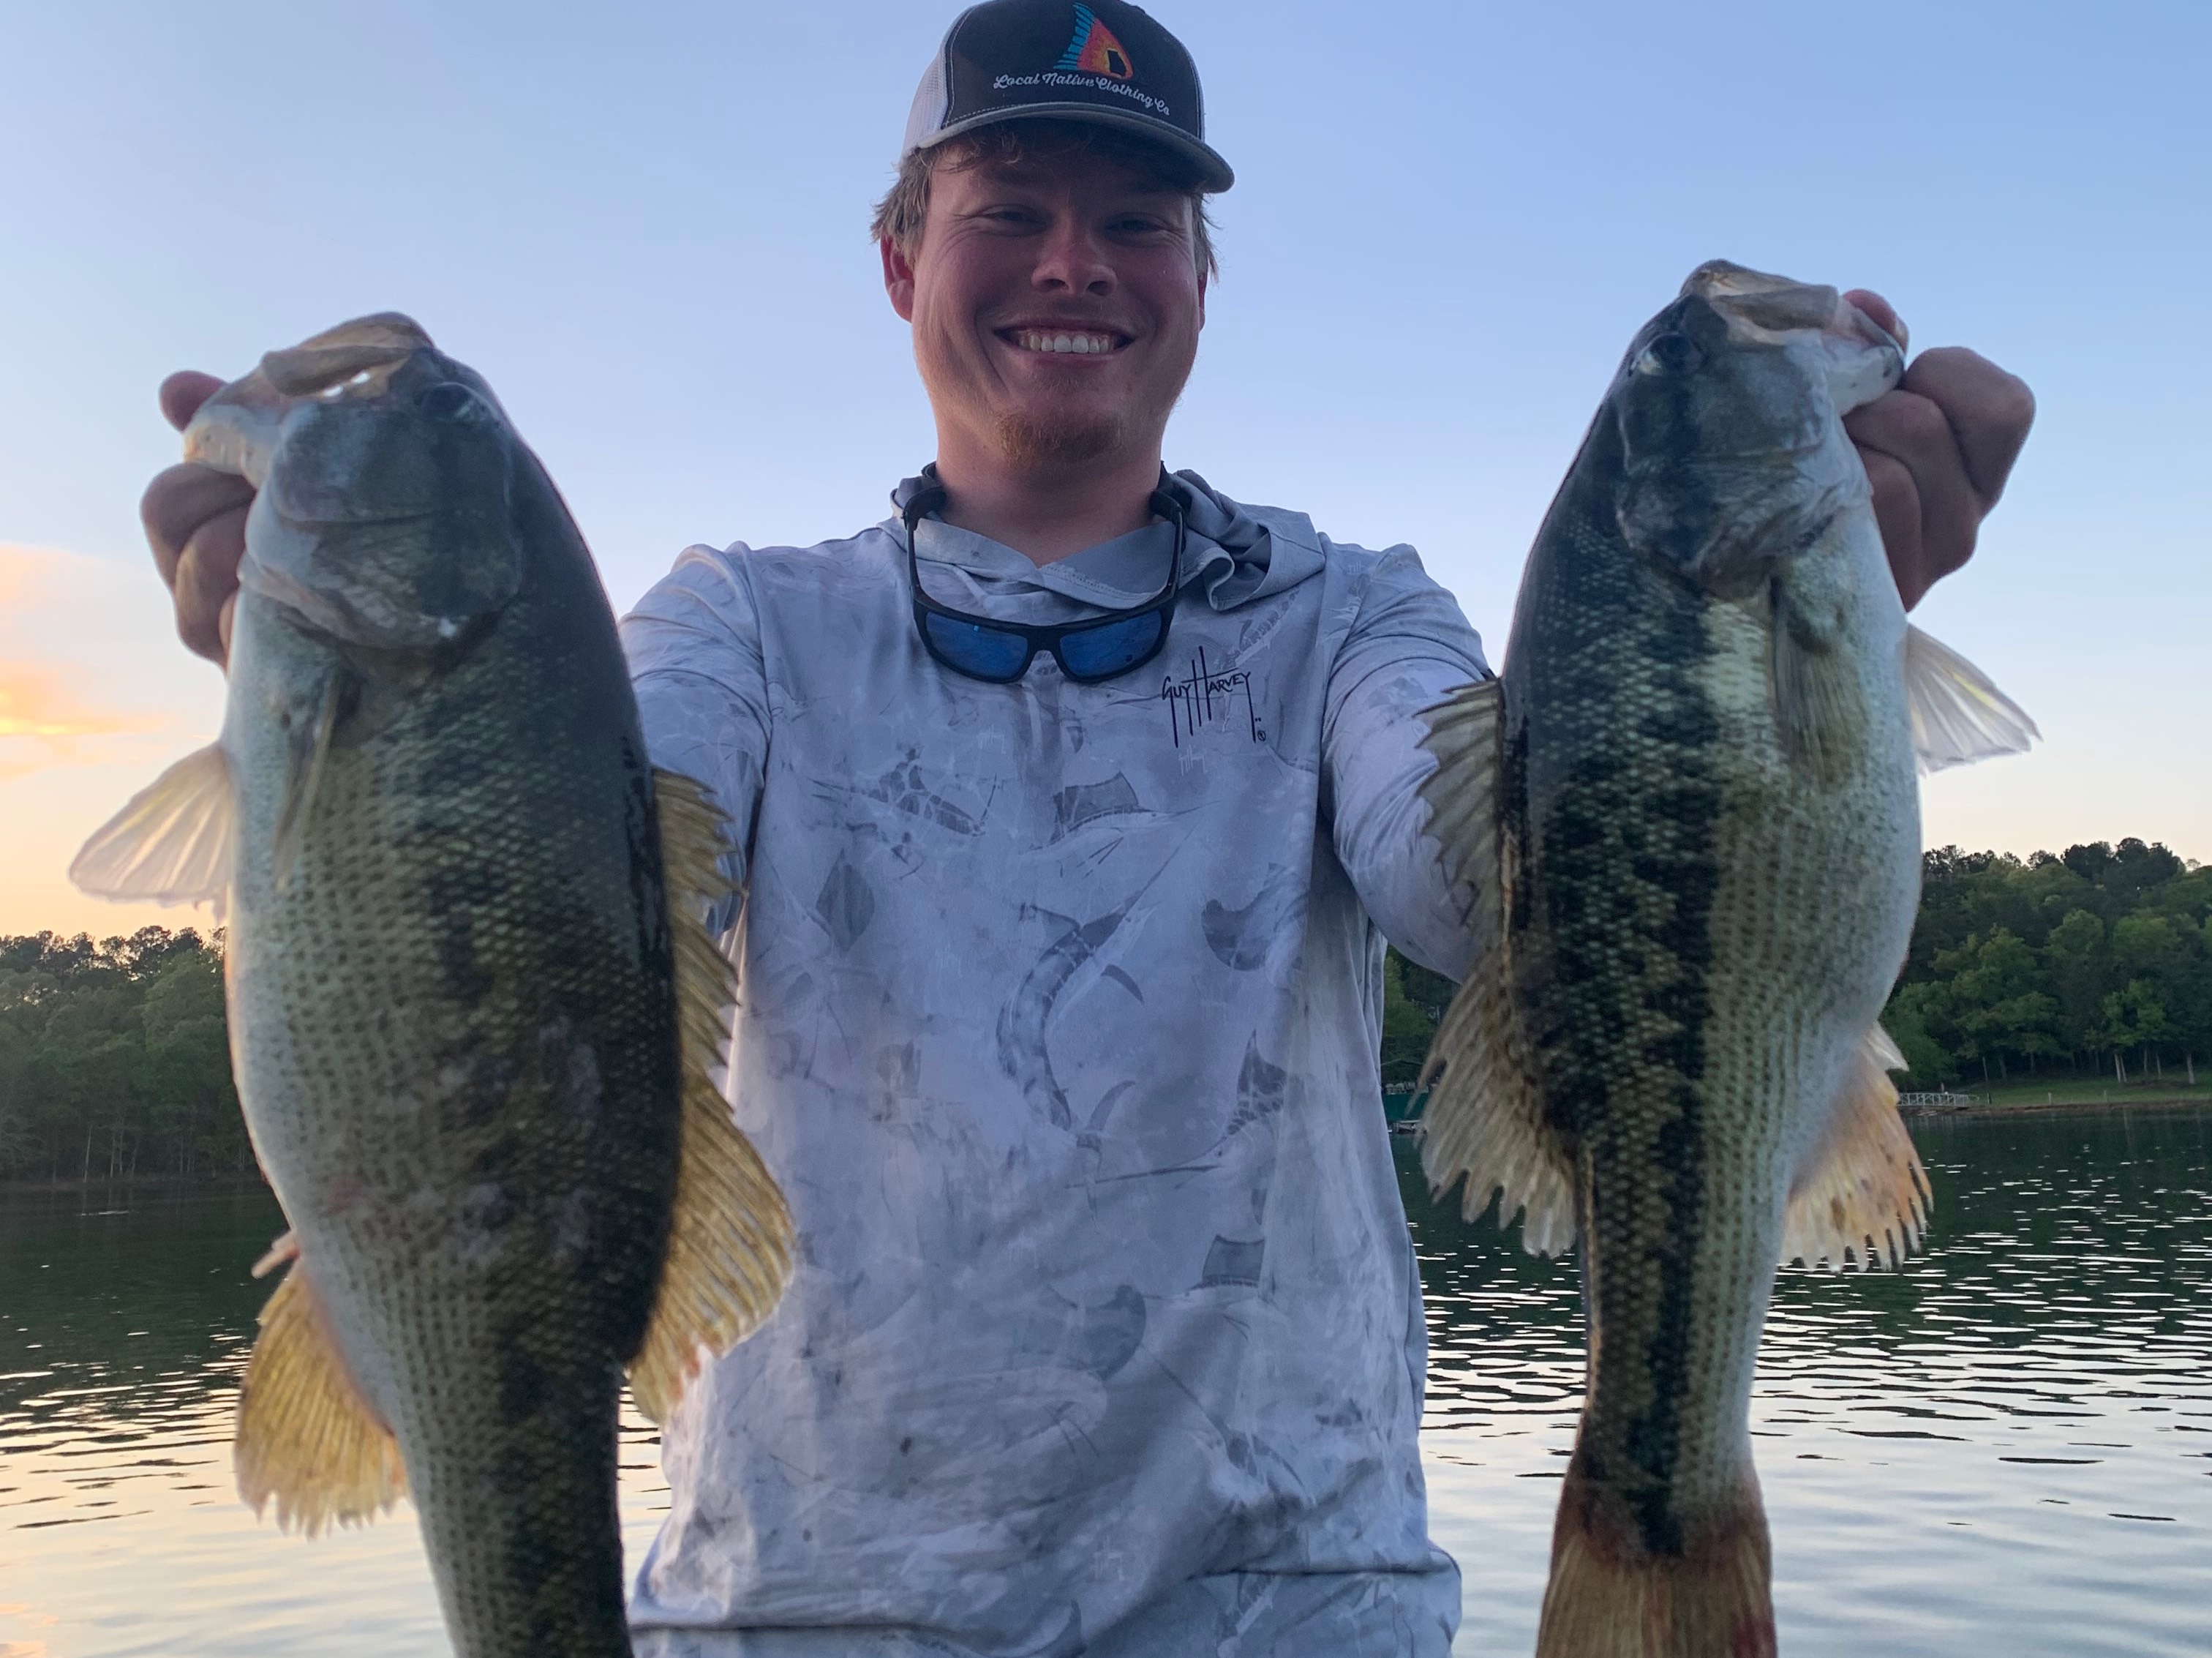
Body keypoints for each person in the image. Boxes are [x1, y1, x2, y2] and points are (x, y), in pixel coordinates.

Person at [138, 3, 2035, 1652]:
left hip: (1294, 1612)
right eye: (1010, 211)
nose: (1077, 262)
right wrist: (383, 729)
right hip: (793, 1615)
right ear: (898, 259)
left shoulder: (1349, 614)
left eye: (1139, 221)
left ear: (1204, 279)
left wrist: (1755, 681)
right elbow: (571, 867)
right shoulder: (741, 624)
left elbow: (1488, 897)